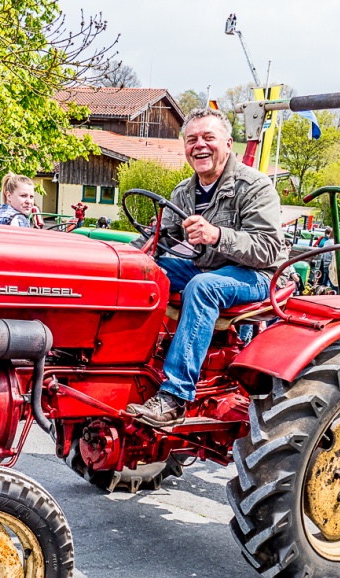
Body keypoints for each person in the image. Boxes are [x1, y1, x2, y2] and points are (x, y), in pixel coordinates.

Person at [125, 107, 284, 427]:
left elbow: (268, 249)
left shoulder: (255, 186)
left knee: (203, 287)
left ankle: (175, 395)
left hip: (256, 275)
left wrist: (217, 235)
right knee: (144, 273)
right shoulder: (184, 191)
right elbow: (159, 238)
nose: (200, 145)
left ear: (228, 144)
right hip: (208, 267)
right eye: (192, 139)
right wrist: (124, 258)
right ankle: (126, 364)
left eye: (208, 137)